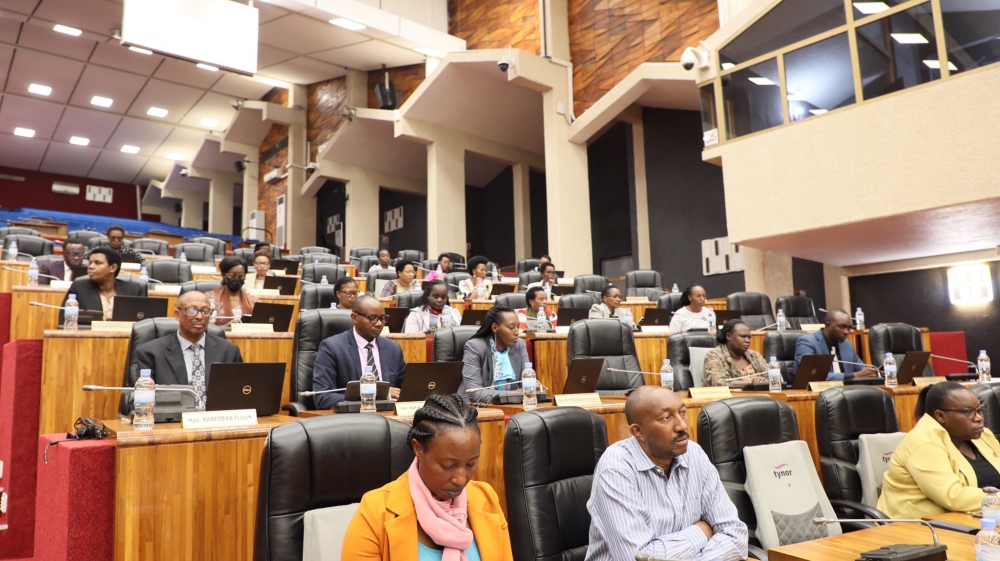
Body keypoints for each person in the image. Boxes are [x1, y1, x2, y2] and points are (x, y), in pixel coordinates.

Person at [585, 385, 748, 561]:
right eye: (667, 417)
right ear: (638, 431)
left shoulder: (694, 454)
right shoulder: (616, 469)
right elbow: (637, 558)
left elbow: (735, 535)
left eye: (683, 412)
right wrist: (701, 531)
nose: (682, 425)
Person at [342, 394, 514, 561]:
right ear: (418, 449)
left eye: (471, 464)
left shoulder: (486, 498)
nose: (461, 479)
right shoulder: (376, 512)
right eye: (448, 466)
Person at [878, 382, 1000, 518]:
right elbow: (952, 496)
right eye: (968, 412)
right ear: (940, 416)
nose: (979, 418)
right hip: (921, 527)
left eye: (979, 410)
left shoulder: (983, 436)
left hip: (978, 518)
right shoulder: (924, 442)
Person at [132, 291, 243, 410]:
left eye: (205, 311)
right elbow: (141, 402)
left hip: (217, 421)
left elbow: (240, 396)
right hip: (174, 421)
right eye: (192, 310)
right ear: (177, 314)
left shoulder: (229, 351)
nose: (199, 316)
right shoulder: (150, 352)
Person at [311, 295, 406, 408]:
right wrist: (376, 395)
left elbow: (406, 393)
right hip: (353, 420)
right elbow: (322, 398)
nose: (379, 323)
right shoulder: (332, 348)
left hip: (390, 418)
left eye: (382, 318)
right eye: (373, 318)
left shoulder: (393, 349)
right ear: (355, 318)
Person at [58, 247, 146, 324]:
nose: (91, 267)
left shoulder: (134, 290)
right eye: (90, 263)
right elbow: (63, 321)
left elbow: (143, 324)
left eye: (97, 263)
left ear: (113, 268)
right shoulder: (80, 287)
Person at [461, 305, 529, 403]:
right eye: (511, 328)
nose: (517, 332)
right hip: (477, 407)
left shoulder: (519, 345)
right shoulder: (474, 346)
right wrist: (513, 394)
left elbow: (528, 386)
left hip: (511, 405)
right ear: (495, 327)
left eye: (518, 327)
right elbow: (474, 392)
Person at [794, 308, 878, 380]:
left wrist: (873, 373)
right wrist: (854, 375)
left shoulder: (847, 346)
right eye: (842, 327)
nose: (846, 332)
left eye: (849, 328)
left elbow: (862, 370)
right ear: (828, 325)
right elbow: (811, 375)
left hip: (846, 393)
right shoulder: (807, 342)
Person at [703, 319, 769, 388]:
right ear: (728, 336)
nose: (747, 340)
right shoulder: (713, 356)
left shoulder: (754, 355)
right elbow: (717, 382)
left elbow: (775, 377)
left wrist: (764, 380)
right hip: (729, 398)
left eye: (749, 337)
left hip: (759, 397)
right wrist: (751, 383)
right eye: (743, 336)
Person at [206, 256, 257, 327]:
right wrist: (225, 327)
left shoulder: (252, 300)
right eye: (232, 275)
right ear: (224, 275)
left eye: (240, 276)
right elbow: (205, 328)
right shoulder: (210, 298)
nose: (236, 278)